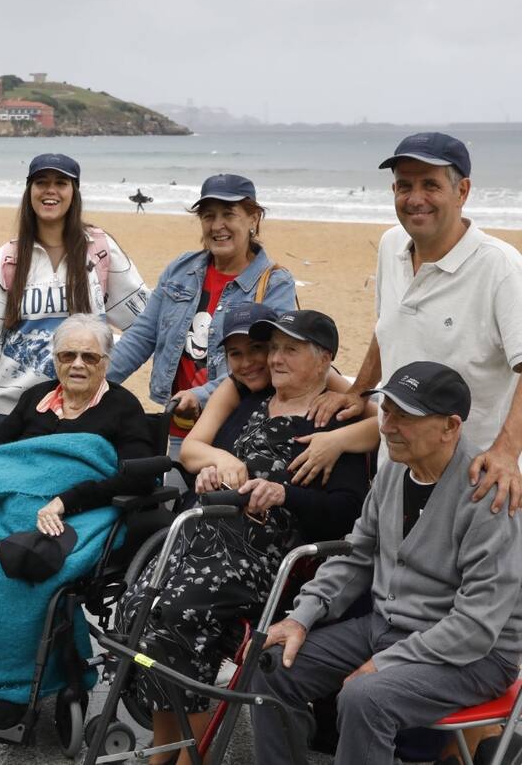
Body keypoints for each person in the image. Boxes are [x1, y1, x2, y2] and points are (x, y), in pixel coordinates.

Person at [118, 310, 368, 762]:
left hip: (259, 554)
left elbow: (348, 511)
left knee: (179, 613)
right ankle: (162, 751)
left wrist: (284, 494)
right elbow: (202, 452)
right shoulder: (250, 401)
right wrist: (212, 472)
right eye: (274, 348)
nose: (275, 359)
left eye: (290, 349)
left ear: (324, 359)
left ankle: (190, 757)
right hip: (201, 535)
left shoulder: (335, 426)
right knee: (139, 606)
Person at [253, 362, 522, 765]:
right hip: (389, 627)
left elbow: (476, 627)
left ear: (450, 426)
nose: (386, 426)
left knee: (366, 697)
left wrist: (384, 662)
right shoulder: (395, 470)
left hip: (477, 656)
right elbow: (356, 555)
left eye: (405, 416)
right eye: (387, 410)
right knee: (271, 665)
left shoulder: (488, 496)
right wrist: (300, 617)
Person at [0, 314, 157, 728]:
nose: (77, 364)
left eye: (89, 356)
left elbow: (140, 474)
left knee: (26, 567)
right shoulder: (35, 397)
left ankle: (19, 690)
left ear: (106, 363)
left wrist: (66, 498)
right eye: (67, 355)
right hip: (6, 507)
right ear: (54, 360)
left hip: (81, 511)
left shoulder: (123, 408)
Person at [308, 132, 522, 513]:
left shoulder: (500, 268)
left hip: (472, 480)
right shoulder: (392, 245)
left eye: (430, 185)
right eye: (404, 185)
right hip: (396, 469)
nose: (415, 198)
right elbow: (387, 326)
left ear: (462, 191)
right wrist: (358, 390)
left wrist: (506, 451)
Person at [0, 153, 149, 447]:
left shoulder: (99, 250)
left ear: (74, 192)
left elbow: (144, 323)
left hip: (83, 409)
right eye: (41, 182)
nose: (50, 190)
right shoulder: (8, 258)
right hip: (12, 412)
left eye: (61, 183)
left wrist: (107, 371)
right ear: (30, 192)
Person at [107, 174, 297, 458]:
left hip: (238, 431)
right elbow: (142, 336)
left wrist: (201, 395)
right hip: (176, 428)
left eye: (228, 214)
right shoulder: (180, 270)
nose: (217, 226)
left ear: (253, 218)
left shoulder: (274, 283)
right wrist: (94, 382)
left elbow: (272, 362)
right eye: (208, 216)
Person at [180, 302, 380, 484]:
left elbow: (381, 421)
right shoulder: (235, 385)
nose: (247, 363)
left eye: (257, 348)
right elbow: (190, 448)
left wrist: (337, 439)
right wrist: (221, 459)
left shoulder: (318, 375)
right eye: (235, 354)